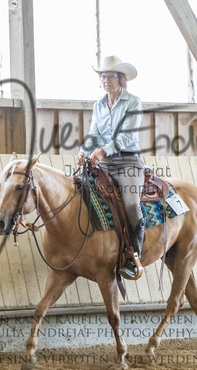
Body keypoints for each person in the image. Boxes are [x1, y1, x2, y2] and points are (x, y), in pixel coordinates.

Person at [76, 55, 145, 279]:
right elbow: (94, 135)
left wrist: (104, 151)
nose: (106, 80)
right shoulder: (98, 105)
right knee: (78, 192)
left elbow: (128, 136)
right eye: (103, 76)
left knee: (131, 204)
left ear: (121, 78)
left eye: (110, 76)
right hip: (104, 162)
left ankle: (135, 255)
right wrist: (83, 151)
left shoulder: (133, 102)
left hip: (128, 162)